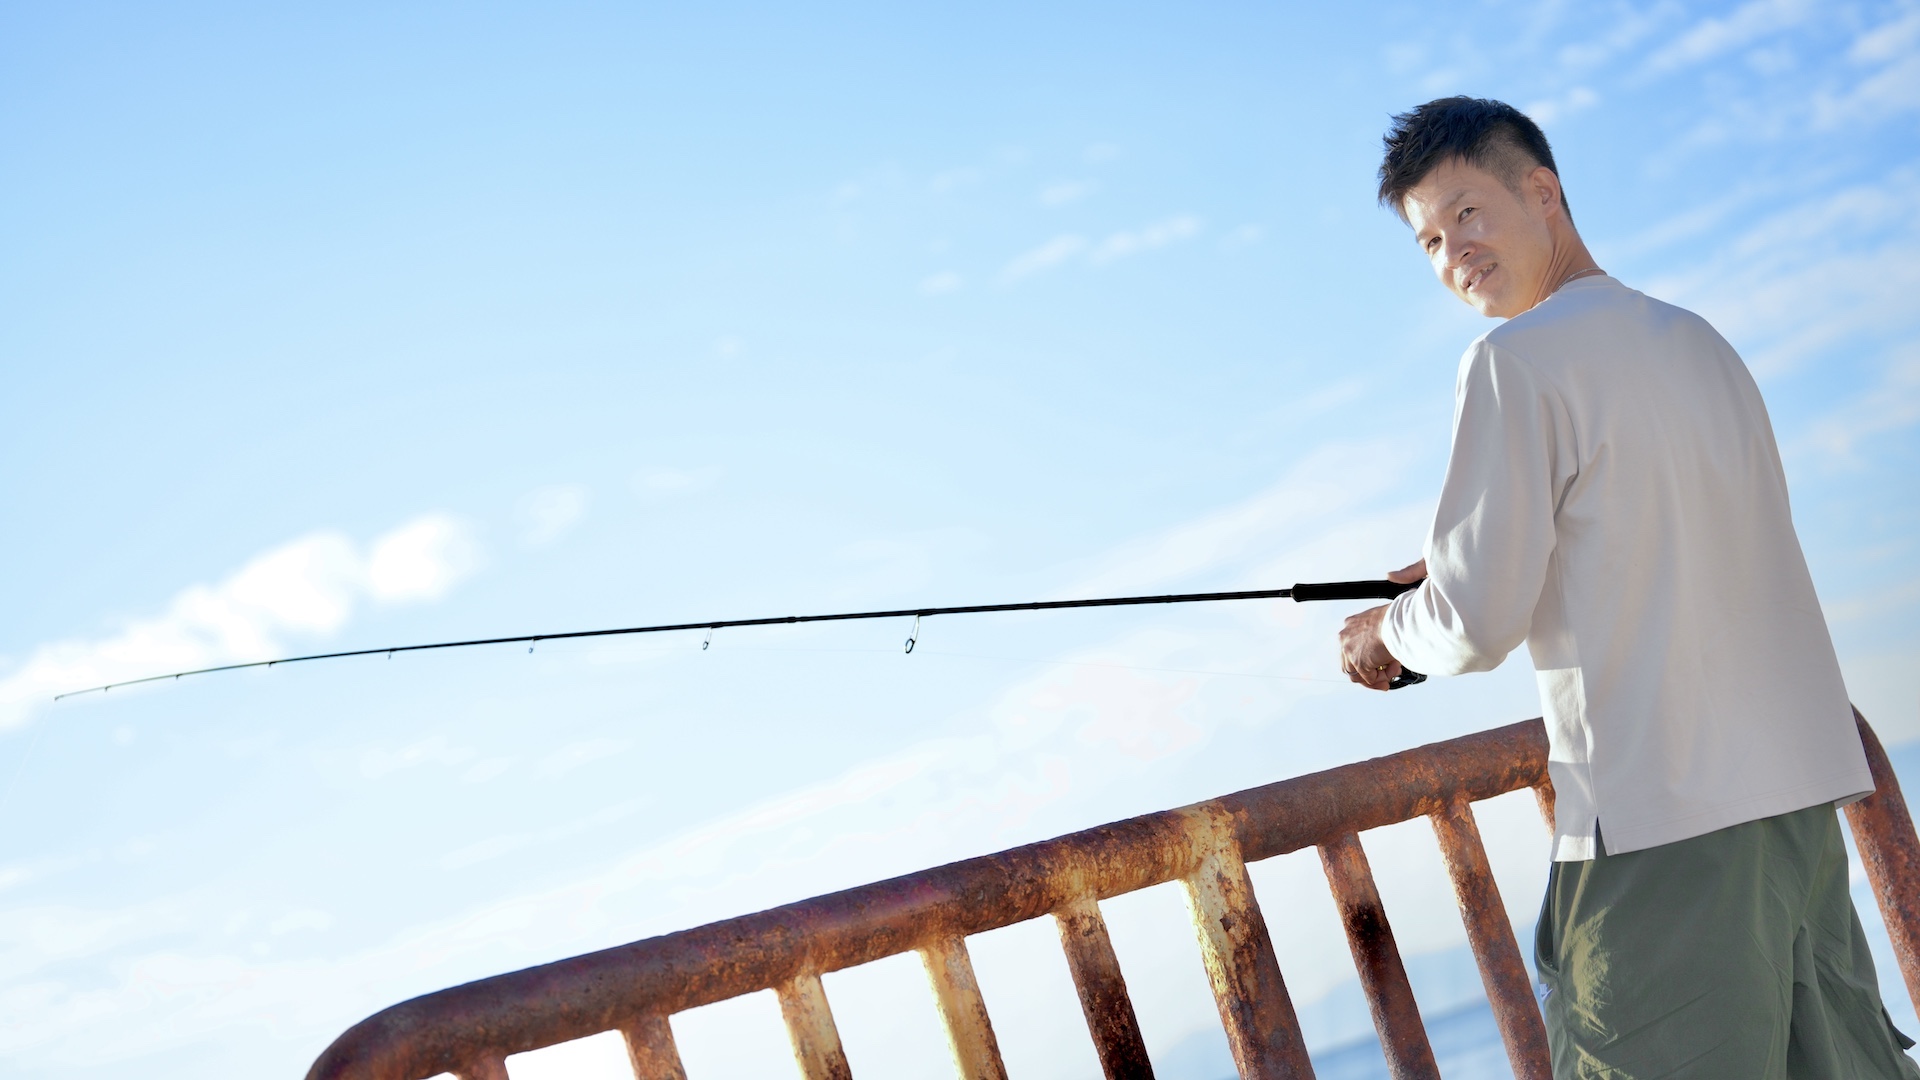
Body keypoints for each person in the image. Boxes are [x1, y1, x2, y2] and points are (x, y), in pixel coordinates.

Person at [1335, 96, 1918, 1079]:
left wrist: (1388, 639)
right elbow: (1666, 527)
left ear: (1543, 191)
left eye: (1468, 213)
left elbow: (1476, 621)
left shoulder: (1510, 363)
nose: (1452, 251)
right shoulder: (1698, 342)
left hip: (1661, 820)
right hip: (1797, 805)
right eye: (1430, 238)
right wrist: (1477, 550)